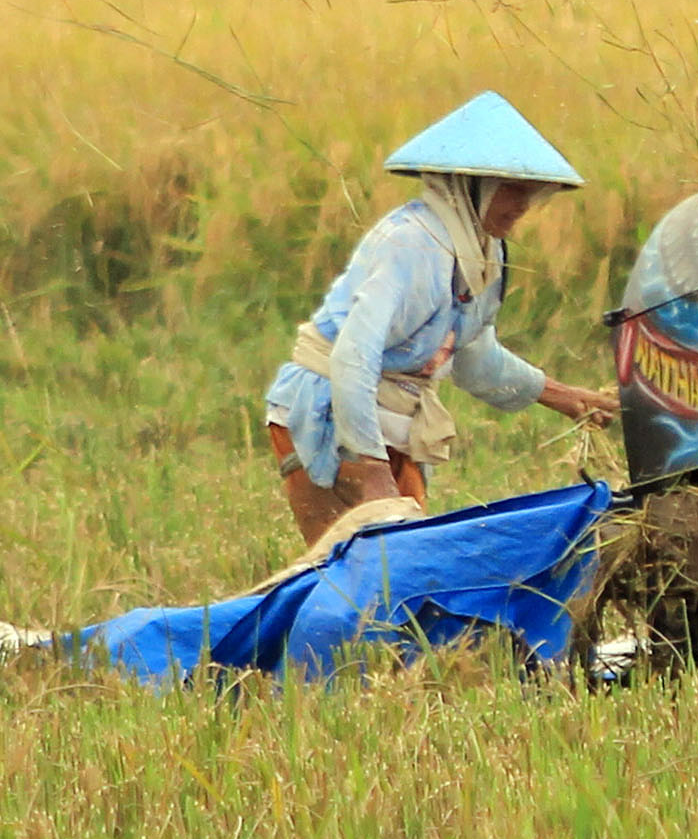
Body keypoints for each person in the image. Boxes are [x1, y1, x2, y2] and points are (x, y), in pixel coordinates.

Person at [263, 92, 617, 545]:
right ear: (469, 186)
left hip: (394, 417)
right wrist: (372, 469)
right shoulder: (412, 244)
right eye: (512, 190)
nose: (524, 204)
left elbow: (473, 356)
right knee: (366, 564)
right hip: (328, 409)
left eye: (530, 192)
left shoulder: (485, 251)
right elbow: (354, 356)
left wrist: (567, 398)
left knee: (400, 556)